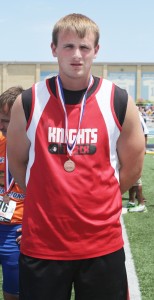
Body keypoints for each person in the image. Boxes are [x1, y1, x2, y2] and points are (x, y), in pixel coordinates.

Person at [7, 13, 145, 300]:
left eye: (84, 47)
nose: (77, 55)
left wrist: (98, 197)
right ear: (53, 49)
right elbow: (17, 162)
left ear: (96, 50)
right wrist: (47, 194)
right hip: (42, 243)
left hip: (101, 244)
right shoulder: (29, 101)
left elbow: (132, 166)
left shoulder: (118, 99)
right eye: (68, 46)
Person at [0, 87, 25, 300]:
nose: (2, 125)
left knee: (13, 293)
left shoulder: (37, 146)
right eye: (0, 119)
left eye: (7, 120)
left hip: (18, 231)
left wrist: (34, 226)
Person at [127, 111, 149, 212]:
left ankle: (141, 203)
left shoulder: (136, 116)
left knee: (136, 177)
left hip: (134, 150)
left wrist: (143, 148)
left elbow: (145, 133)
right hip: (130, 150)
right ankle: (131, 201)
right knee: (131, 177)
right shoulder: (133, 115)